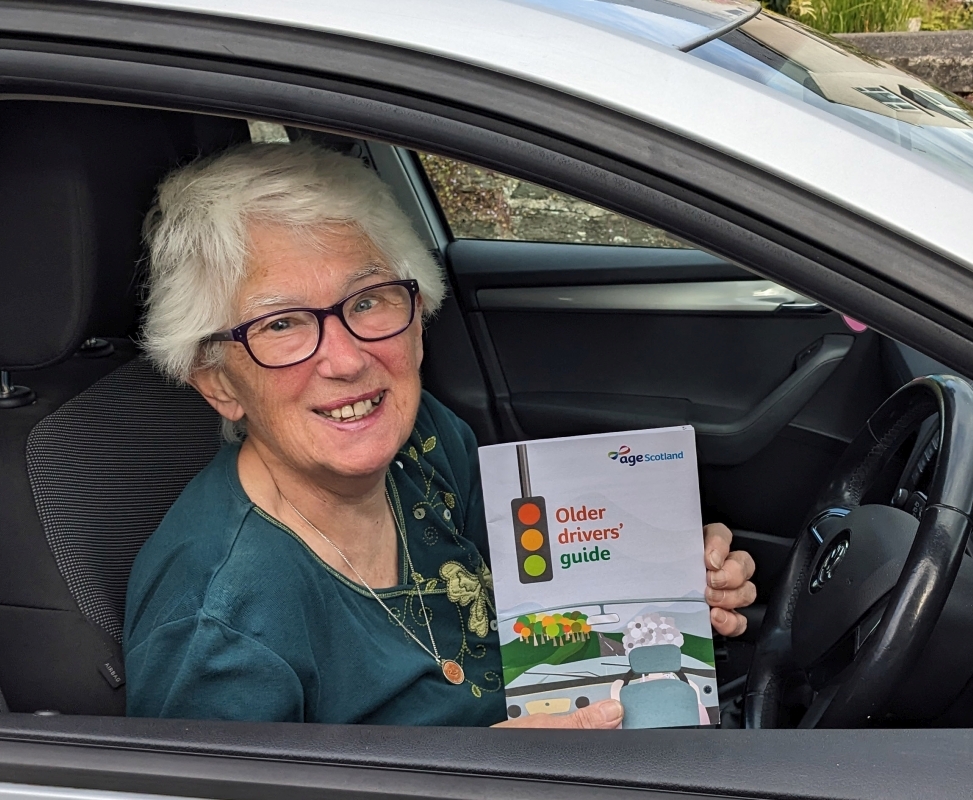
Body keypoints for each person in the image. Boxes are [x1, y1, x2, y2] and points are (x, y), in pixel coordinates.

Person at [124, 140, 757, 728]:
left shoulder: (421, 439)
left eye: (368, 301)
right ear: (218, 382)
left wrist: (652, 584)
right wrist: (490, 780)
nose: (345, 359)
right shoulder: (218, 625)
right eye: (282, 324)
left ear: (418, 313)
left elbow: (533, 590)